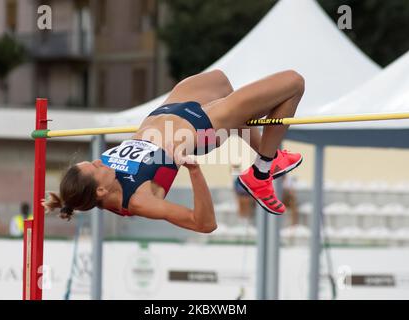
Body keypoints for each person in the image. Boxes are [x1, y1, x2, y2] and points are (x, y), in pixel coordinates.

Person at [43, 70, 304, 233]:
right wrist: (193, 170)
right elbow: (204, 224)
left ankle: (266, 154)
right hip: (203, 126)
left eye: (92, 162)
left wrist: (63, 199)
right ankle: (261, 172)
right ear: (100, 190)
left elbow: (90, 181)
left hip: (168, 109)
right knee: (293, 82)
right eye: (96, 167)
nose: (99, 161)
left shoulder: (100, 179)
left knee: (221, 80)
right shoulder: (138, 200)